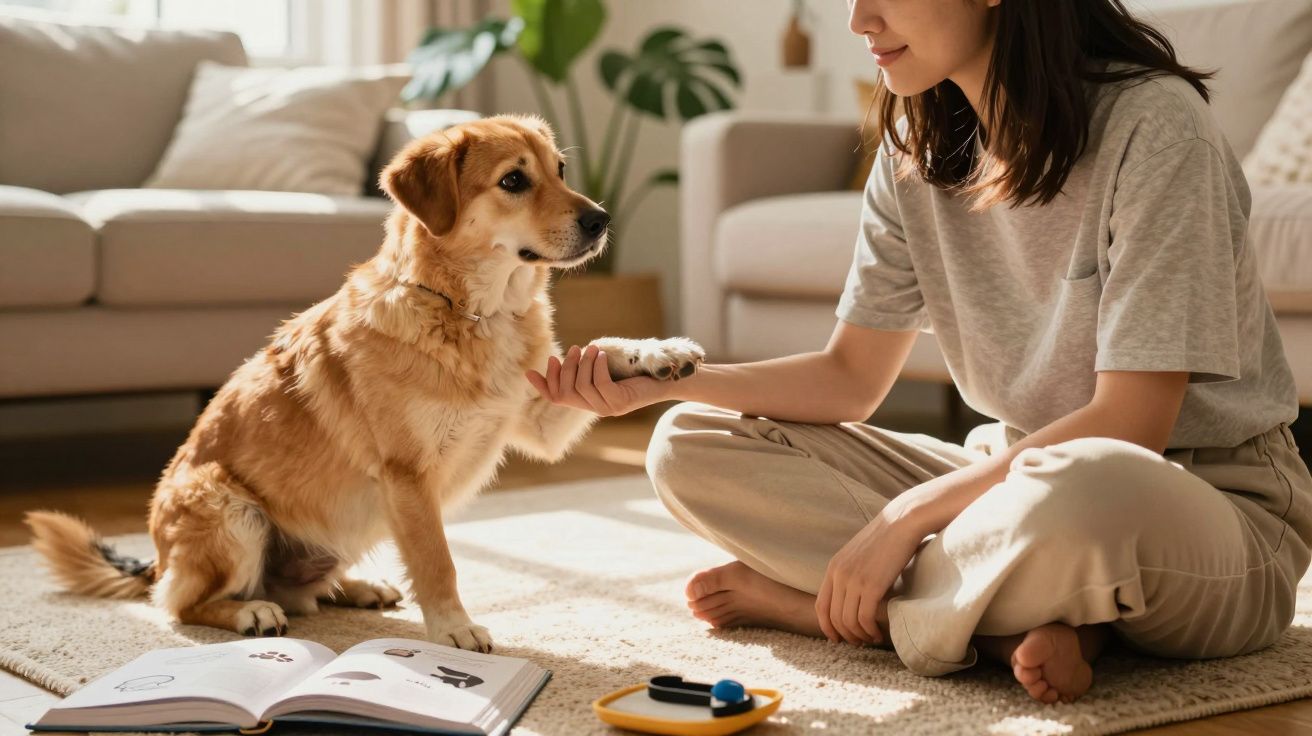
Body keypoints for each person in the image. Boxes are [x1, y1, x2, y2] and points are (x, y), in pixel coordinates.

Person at [525, 0, 1312, 704]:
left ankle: (834, 609)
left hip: (1199, 499)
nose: (858, 20)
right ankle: (1011, 621)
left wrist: (904, 519)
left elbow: (1131, 426)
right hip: (1011, 487)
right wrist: (665, 387)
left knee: (1085, 486)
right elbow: (848, 378)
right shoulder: (917, 146)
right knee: (688, 442)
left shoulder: (1154, 126)